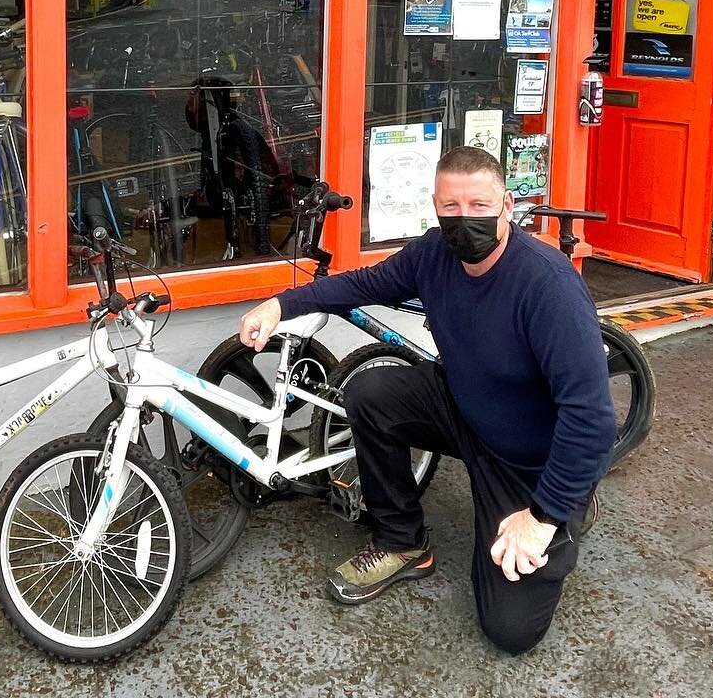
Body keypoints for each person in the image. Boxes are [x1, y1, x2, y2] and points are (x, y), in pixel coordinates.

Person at [237, 145, 616, 655]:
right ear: (436, 207)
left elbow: (592, 420)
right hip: (465, 407)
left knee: (510, 631)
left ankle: (570, 504)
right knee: (372, 392)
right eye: (450, 208)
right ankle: (402, 541)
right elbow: (362, 283)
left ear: (506, 204)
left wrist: (542, 515)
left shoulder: (548, 286)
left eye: (479, 206)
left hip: (526, 460)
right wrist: (280, 305)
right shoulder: (434, 252)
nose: (464, 221)